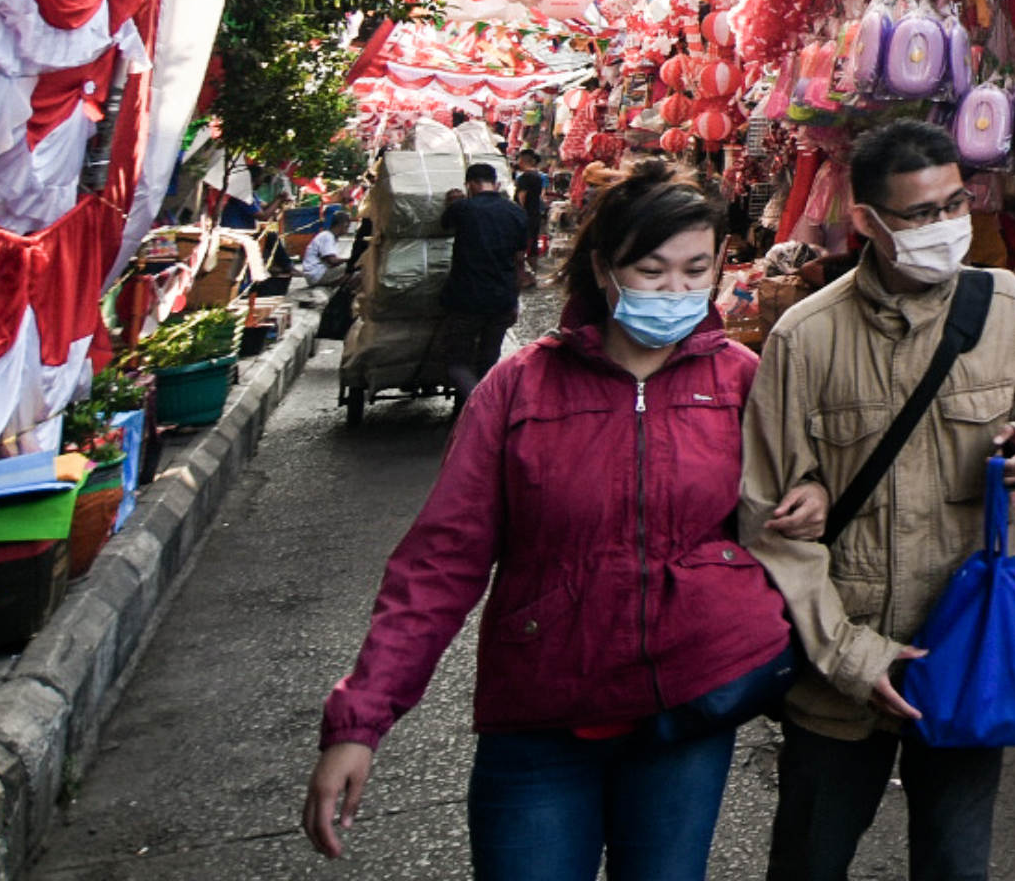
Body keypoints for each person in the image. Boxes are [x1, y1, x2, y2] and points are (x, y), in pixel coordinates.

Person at [305, 165, 794, 880]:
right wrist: (360, 721)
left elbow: (789, 520)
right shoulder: (520, 387)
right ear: (604, 268)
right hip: (540, 717)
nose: (677, 291)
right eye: (652, 270)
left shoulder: (742, 381)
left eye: (696, 270)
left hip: (685, 714)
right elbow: (441, 561)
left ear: (722, 264)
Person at [741, 118, 1015, 881]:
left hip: (968, 650)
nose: (946, 228)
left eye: (955, 204)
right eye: (921, 214)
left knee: (957, 863)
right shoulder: (805, 338)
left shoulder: (1004, 305)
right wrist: (853, 659)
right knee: (808, 861)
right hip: (842, 670)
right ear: (865, 220)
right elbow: (770, 528)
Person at [439, 162, 535, 397]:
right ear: (497, 184)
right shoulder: (516, 212)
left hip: (466, 299)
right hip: (502, 300)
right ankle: (477, 407)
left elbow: (444, 225)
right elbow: (520, 261)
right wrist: (514, 302)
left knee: (457, 362)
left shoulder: (463, 208)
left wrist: (453, 203)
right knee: (488, 359)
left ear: (470, 185)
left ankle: (478, 406)